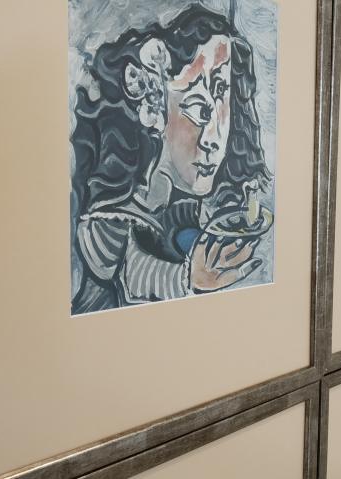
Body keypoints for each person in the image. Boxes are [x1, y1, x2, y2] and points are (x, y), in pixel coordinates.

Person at [70, 5, 271, 314]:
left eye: (222, 92)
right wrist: (186, 280)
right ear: (153, 106)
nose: (214, 138)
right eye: (196, 107)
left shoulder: (194, 206)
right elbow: (127, 270)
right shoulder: (109, 217)